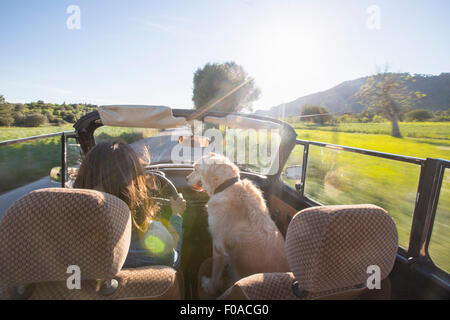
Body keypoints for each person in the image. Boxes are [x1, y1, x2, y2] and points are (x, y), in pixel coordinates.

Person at [73, 140, 186, 268]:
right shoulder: (153, 233)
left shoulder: (68, 235)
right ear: (135, 186)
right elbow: (173, 262)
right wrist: (176, 216)